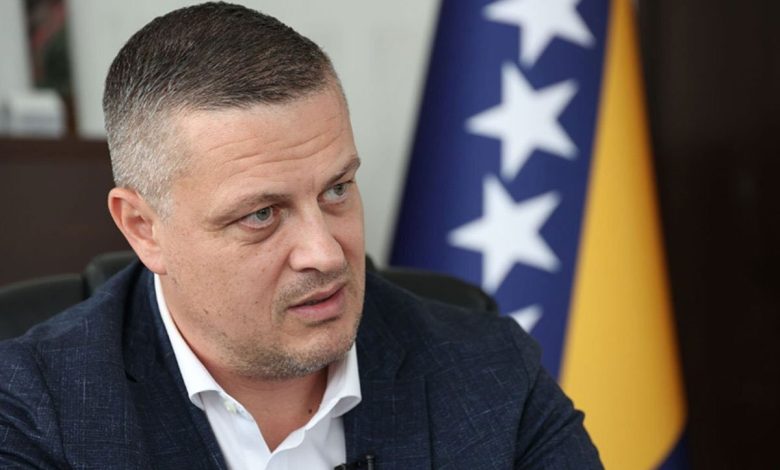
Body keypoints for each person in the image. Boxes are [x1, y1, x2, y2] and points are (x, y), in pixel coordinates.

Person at [0, 3, 601, 468]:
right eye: (262, 214)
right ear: (143, 228)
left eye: (337, 189)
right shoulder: (31, 411)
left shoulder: (491, 372)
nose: (326, 253)